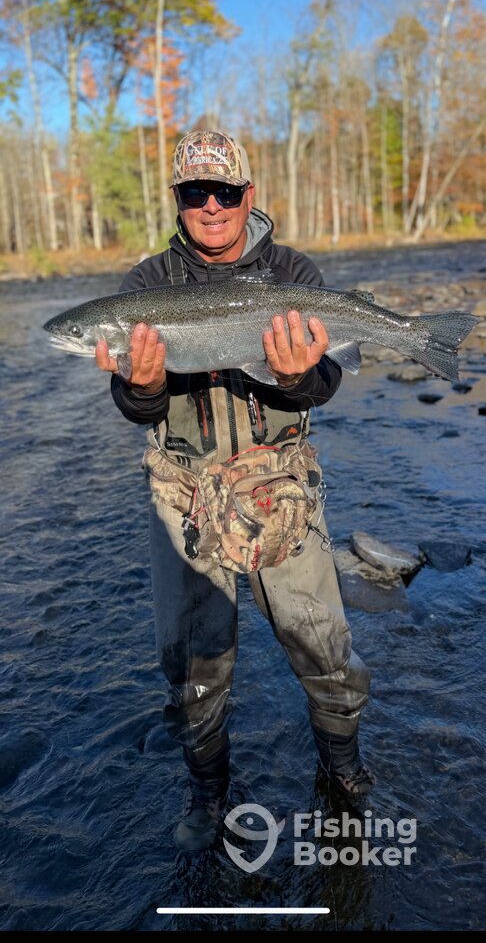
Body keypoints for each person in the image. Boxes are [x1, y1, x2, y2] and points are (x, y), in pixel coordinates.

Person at [96, 129, 374, 853]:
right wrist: (142, 386)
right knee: (194, 663)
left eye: (224, 191)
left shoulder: (292, 272)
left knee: (323, 645)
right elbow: (135, 407)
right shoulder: (146, 286)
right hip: (183, 493)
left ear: (248, 195)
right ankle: (208, 790)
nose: (211, 206)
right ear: (179, 200)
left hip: (281, 486)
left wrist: (296, 376)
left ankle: (344, 771)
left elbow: (324, 383)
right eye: (196, 192)